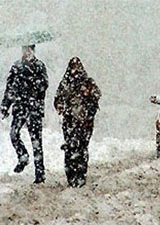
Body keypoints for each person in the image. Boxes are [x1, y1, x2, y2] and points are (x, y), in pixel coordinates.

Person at [0, 44, 48, 184]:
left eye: (29, 49)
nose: (26, 52)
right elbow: (9, 88)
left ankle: (40, 173)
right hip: (20, 107)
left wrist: (32, 83)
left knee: (36, 141)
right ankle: (23, 156)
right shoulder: (16, 67)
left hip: (34, 109)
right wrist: (5, 105)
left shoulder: (39, 66)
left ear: (33, 50)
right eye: (24, 49)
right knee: (14, 134)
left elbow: (44, 85)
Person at [54, 57, 101, 188]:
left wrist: (88, 93)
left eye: (77, 67)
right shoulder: (65, 83)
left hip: (85, 123)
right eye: (73, 67)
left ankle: (80, 175)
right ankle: (71, 176)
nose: (75, 70)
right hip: (69, 123)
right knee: (70, 149)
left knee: (82, 148)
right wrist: (60, 105)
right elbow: (58, 98)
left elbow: (97, 94)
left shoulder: (87, 82)